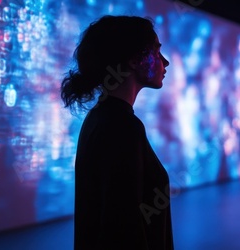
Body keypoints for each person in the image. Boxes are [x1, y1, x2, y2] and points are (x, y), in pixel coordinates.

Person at [60, 15, 173, 250]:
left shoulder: (99, 118)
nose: (165, 62)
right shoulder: (123, 127)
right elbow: (123, 230)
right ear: (134, 59)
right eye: (156, 50)